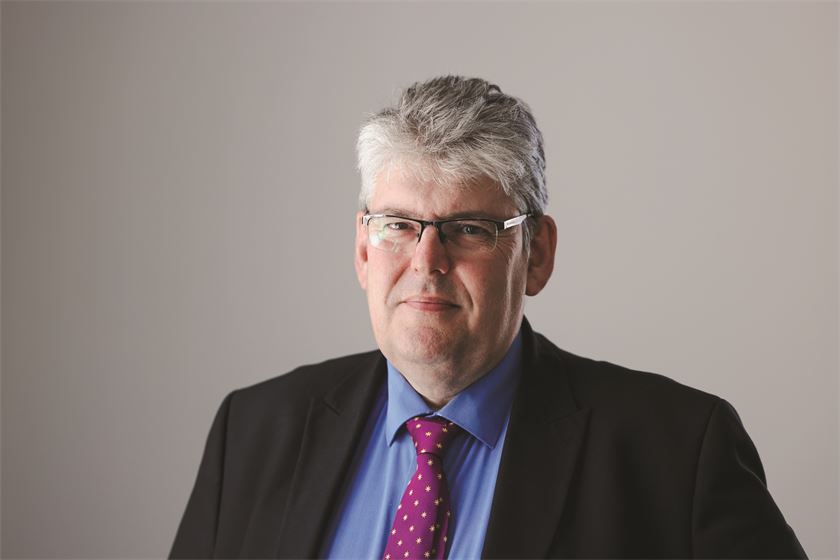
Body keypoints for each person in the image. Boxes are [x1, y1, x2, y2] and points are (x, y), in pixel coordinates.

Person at [170, 76, 806, 559]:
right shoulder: (251, 432)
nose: (427, 262)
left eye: (469, 229)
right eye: (398, 226)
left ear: (537, 255)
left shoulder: (676, 452)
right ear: (364, 250)